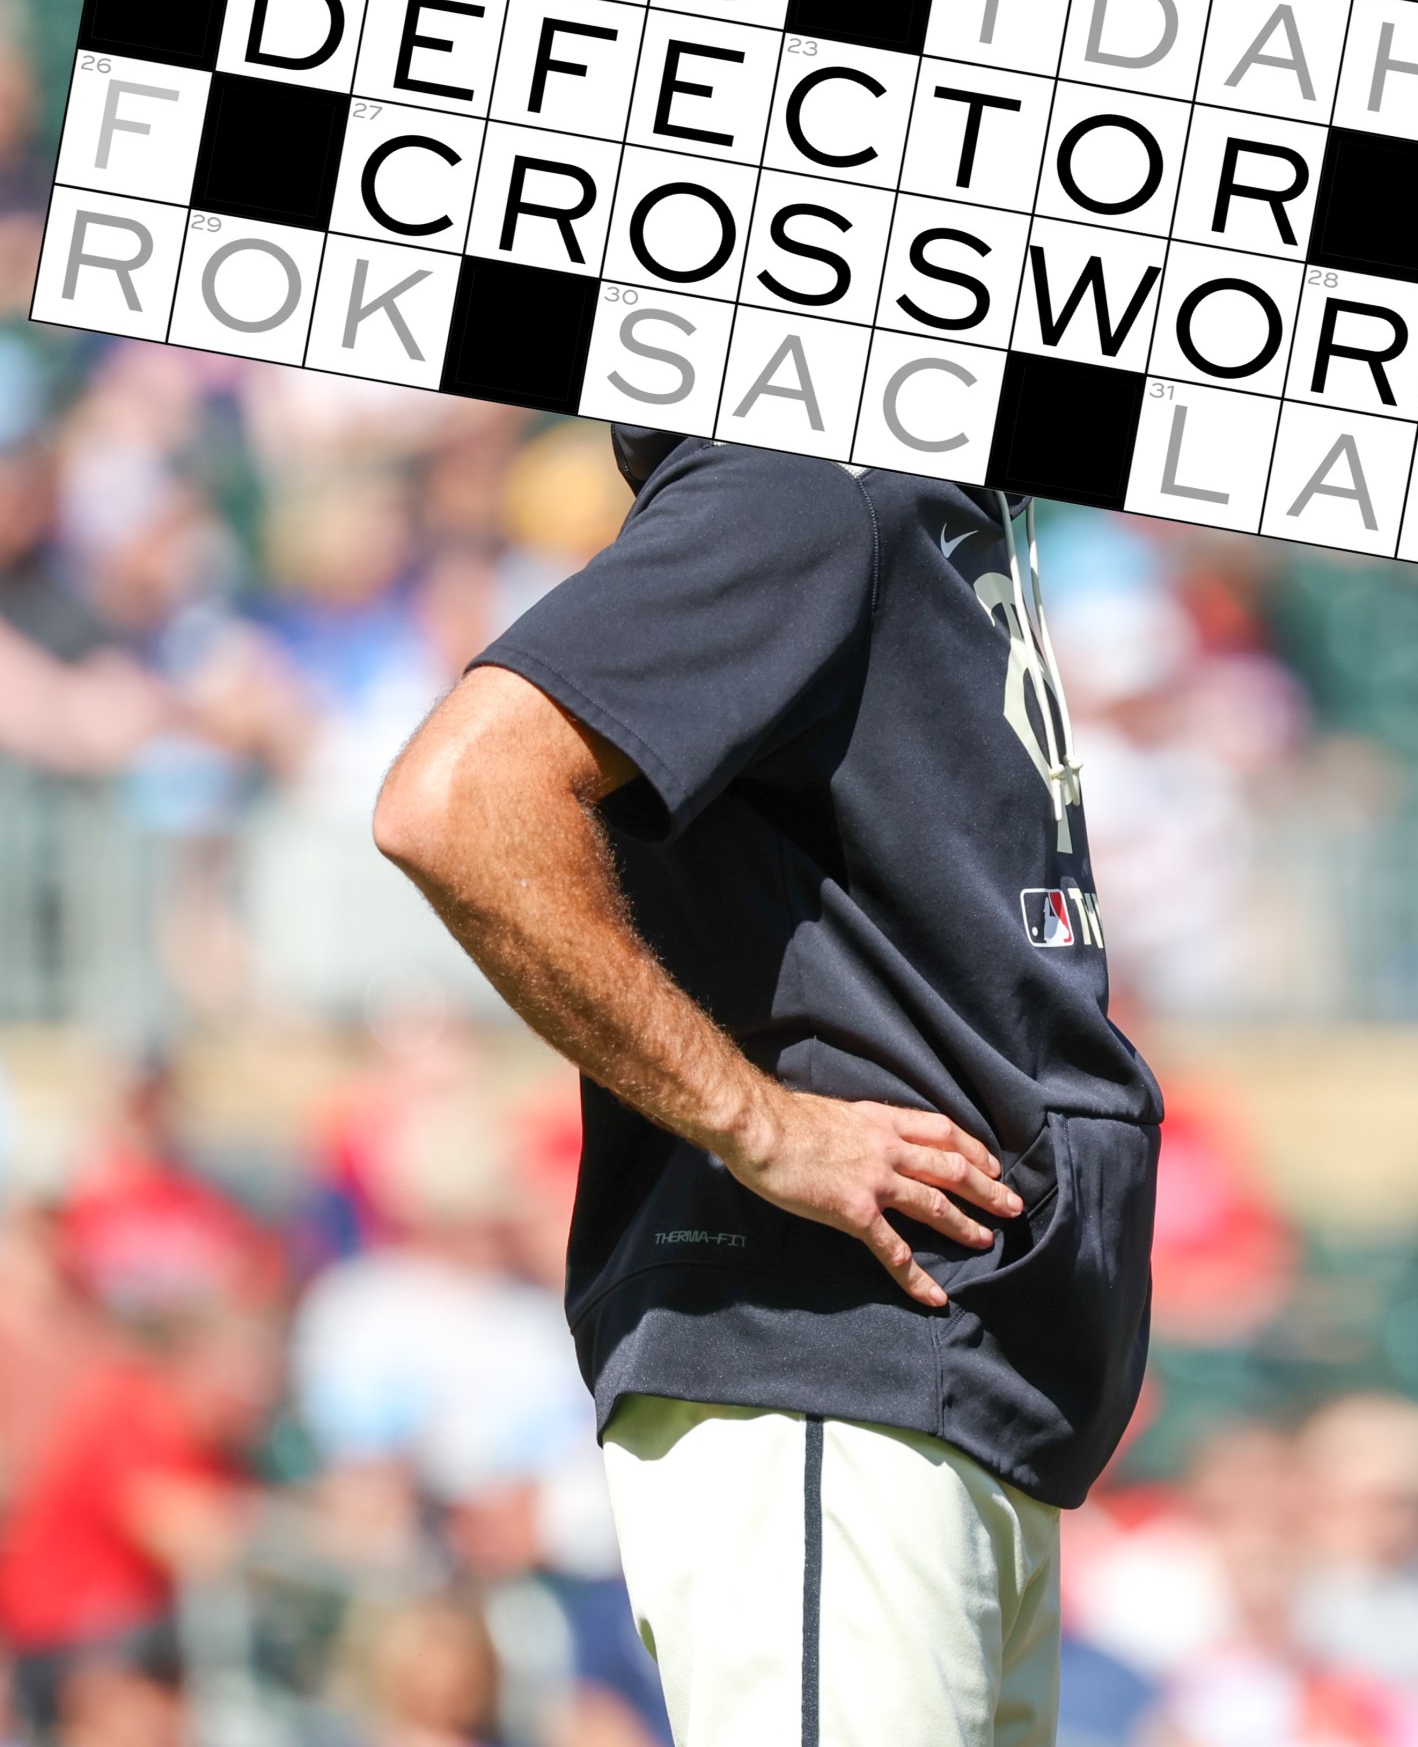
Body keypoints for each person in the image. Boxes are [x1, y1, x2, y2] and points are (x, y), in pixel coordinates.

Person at [374, 427, 1160, 1747]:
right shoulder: (809, 473)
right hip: (828, 1352)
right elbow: (458, 799)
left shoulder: (899, 498)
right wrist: (761, 1122)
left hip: (932, 1376)